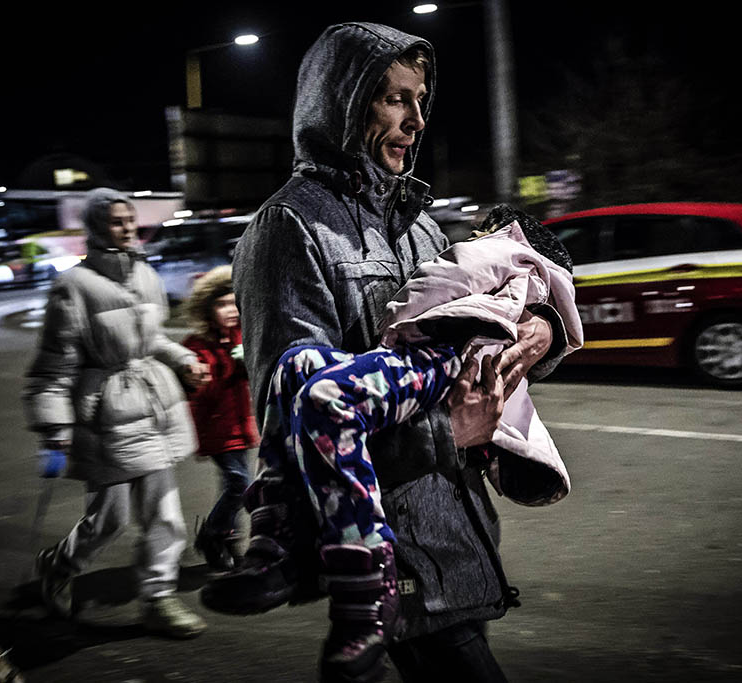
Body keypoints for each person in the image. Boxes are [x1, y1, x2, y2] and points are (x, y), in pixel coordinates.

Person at [215, 22, 570, 682]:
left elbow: (477, 321)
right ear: (342, 103)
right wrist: (449, 431)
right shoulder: (288, 227)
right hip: (390, 545)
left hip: (454, 528)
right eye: (393, 98)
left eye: (420, 99)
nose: (415, 119)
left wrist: (543, 327)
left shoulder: (421, 224)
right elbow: (297, 416)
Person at [23, 187, 208, 639]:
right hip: (106, 414)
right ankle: (59, 565)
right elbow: (55, 364)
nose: (126, 228)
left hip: (154, 405)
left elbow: (152, 338)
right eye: (115, 221)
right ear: (95, 226)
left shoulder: (145, 272)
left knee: (165, 514)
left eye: (130, 219)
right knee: (108, 519)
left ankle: (158, 598)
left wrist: (183, 360)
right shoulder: (73, 286)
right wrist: (53, 424)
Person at [182, 265, 259, 571]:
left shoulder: (240, 335)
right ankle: (212, 534)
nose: (230, 311)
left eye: (233, 303)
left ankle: (229, 542)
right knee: (240, 484)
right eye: (221, 304)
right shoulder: (197, 345)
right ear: (206, 309)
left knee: (234, 486)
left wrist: (247, 359)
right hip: (216, 428)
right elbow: (203, 391)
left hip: (239, 426)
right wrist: (228, 363)